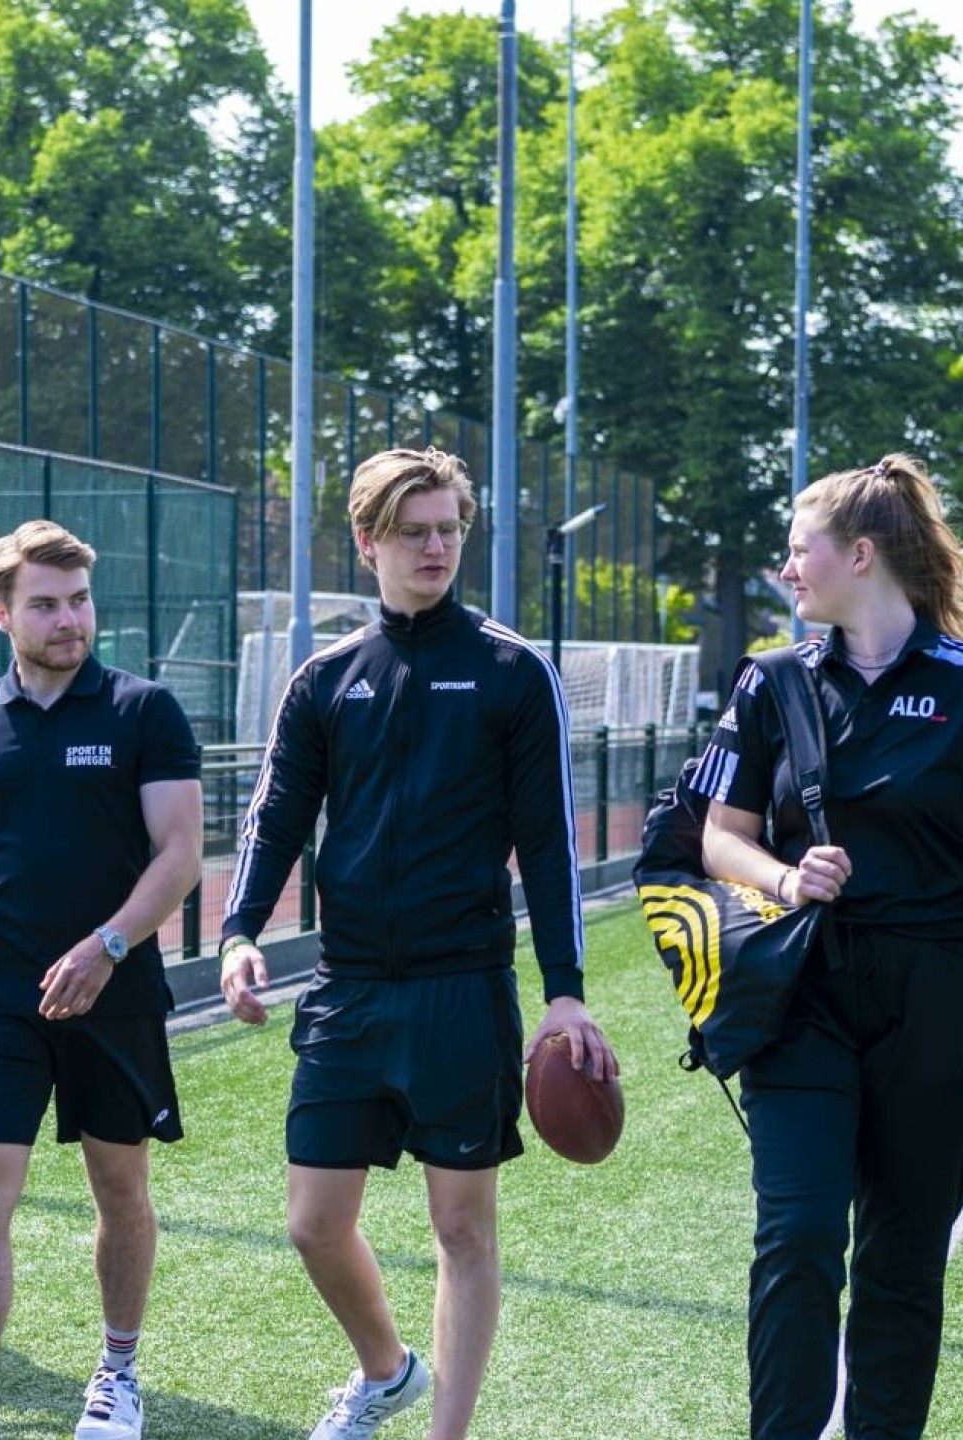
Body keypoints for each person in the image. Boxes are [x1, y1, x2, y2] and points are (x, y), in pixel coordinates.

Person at [216, 447, 616, 1440]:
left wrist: (563, 990)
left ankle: (444, 1431)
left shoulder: (510, 672)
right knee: (311, 1222)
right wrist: (233, 933)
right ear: (367, 542)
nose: (436, 546)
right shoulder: (323, 679)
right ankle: (385, 1371)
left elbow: (549, 846)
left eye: (448, 529)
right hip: (348, 991)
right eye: (413, 530)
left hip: (460, 993)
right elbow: (272, 820)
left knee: (459, 1229)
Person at [0, 520, 203, 1440]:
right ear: (3, 613)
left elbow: (181, 853)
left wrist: (107, 946)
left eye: (78, 600)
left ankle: (117, 1377)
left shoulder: (143, 711)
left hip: (115, 990)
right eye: (45, 603)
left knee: (119, 1187)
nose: (68, 620)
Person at [695, 454, 963, 1440]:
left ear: (857, 554)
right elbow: (715, 834)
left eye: (796, 548)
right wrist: (780, 879)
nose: (785, 568)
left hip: (935, 1004)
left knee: (899, 1259)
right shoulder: (769, 682)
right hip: (802, 991)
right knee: (797, 1235)